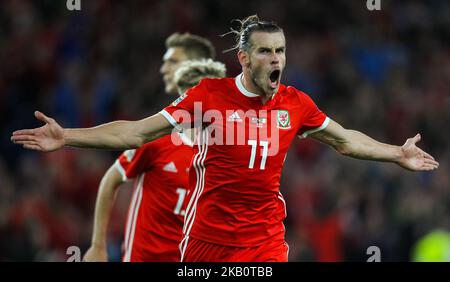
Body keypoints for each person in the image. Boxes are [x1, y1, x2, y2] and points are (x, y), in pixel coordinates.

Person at [11, 15, 439, 262]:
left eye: (281, 51)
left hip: (265, 244)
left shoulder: (295, 104)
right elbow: (137, 131)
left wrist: (395, 153)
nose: (277, 59)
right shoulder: (208, 97)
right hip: (206, 244)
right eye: (266, 51)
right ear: (244, 58)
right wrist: (67, 136)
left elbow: (345, 140)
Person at [82, 33, 219, 262]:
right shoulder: (158, 138)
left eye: (172, 62)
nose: (163, 69)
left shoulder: (224, 150)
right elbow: (111, 179)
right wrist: (98, 245)